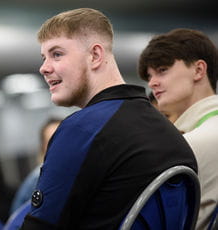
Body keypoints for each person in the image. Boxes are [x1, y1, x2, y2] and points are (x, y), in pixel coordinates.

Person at [20, 8, 197, 229]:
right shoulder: (171, 133)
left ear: (95, 55)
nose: (43, 68)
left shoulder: (81, 130)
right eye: (43, 57)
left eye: (57, 54)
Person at [138, 28, 218, 229]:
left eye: (162, 70)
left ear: (199, 70)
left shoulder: (192, 143)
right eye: (149, 76)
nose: (152, 83)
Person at [10, 117, 61, 214]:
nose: (58, 144)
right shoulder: (34, 181)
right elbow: (17, 219)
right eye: (51, 141)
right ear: (43, 148)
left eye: (62, 138)